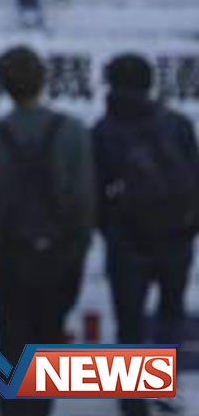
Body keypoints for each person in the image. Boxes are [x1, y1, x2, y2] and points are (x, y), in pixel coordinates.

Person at [0, 45, 95, 416]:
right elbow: (84, 200)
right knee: (46, 340)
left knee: (10, 340)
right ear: (43, 81)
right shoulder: (71, 131)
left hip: (10, 255)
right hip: (58, 254)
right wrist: (77, 251)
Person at [93, 54, 199, 416]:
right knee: (170, 313)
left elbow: (95, 194)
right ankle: (166, 389)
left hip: (127, 242)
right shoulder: (177, 124)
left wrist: (111, 230)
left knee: (130, 321)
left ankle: (133, 399)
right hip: (175, 238)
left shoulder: (103, 131)